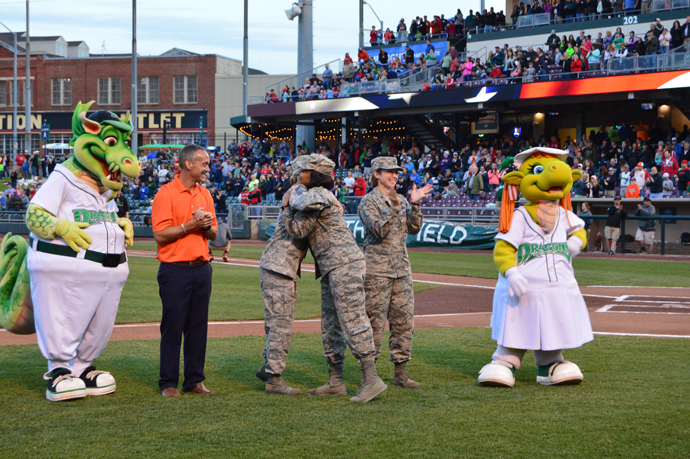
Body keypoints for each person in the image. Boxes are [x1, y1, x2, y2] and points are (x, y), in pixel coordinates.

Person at [285, 154, 387, 403]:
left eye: (303, 172)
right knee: (331, 324)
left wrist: (293, 191)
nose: (298, 176)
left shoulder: (319, 193)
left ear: (315, 175)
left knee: (353, 319)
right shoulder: (317, 198)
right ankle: (336, 381)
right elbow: (299, 224)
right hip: (332, 266)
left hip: (345, 264)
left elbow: (298, 214)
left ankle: (371, 379)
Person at [358, 157, 433, 389]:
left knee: (403, 323)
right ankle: (369, 375)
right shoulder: (367, 202)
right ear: (376, 174)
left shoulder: (401, 198)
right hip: (376, 272)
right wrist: (394, 208)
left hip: (401, 270)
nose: (394, 175)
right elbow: (378, 230)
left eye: (396, 172)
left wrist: (416, 205)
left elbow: (414, 227)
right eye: (389, 171)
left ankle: (401, 372)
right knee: (375, 324)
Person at [152, 144, 219, 398]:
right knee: (173, 328)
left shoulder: (205, 194)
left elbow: (214, 233)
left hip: (202, 268)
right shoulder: (165, 193)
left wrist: (204, 225)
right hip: (174, 270)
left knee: (198, 328)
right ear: (188, 164)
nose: (207, 168)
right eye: (204, 163)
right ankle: (168, 382)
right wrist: (190, 225)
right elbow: (159, 234)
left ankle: (194, 380)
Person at [255, 157, 312, 395]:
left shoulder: (300, 191)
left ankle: (268, 367)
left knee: (280, 321)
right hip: (279, 266)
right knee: (281, 323)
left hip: (281, 266)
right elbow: (298, 226)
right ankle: (274, 379)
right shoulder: (299, 190)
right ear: (300, 174)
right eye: (311, 170)